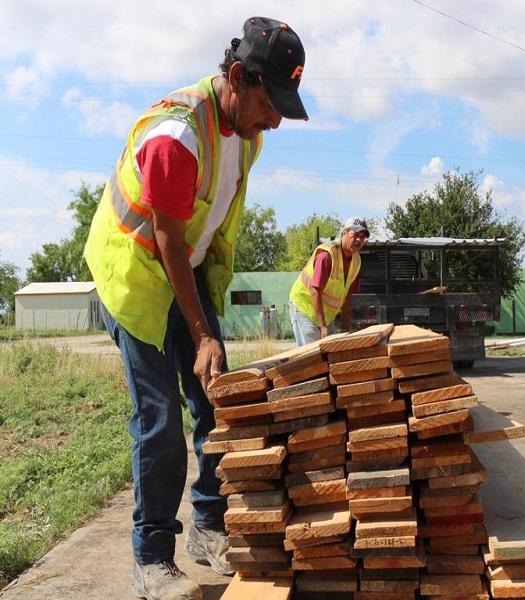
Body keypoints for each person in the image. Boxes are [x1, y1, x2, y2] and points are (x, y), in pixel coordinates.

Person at [83, 17, 307, 600]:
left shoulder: (248, 135)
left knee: (217, 400)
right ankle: (152, 558)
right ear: (237, 76)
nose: (276, 119)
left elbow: (211, 225)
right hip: (136, 275)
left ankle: (207, 527)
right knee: (159, 422)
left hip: (185, 268)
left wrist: (210, 329)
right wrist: (203, 332)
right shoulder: (175, 134)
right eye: (269, 101)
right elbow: (166, 238)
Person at [288, 217, 369, 345]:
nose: (359, 240)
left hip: (325, 315)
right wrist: (323, 327)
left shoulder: (357, 261)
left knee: (330, 353)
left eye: (363, 237)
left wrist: (345, 328)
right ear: (344, 233)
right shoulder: (327, 256)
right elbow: (315, 291)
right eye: (356, 235)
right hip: (304, 306)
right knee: (311, 356)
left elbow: (348, 297)